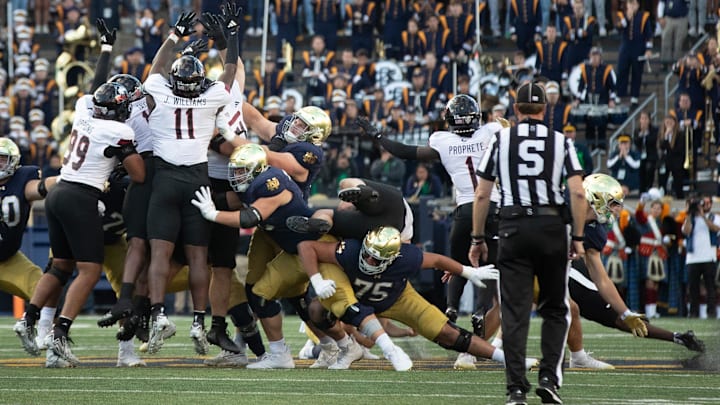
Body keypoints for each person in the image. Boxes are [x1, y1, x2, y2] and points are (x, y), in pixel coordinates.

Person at [469, 82, 587, 405]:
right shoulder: (561, 142)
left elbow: (482, 194)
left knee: (514, 312)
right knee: (555, 308)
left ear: (516, 109)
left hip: (513, 228)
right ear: (545, 110)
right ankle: (549, 377)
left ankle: (516, 390)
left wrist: (478, 238)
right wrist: (577, 236)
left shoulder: (501, 138)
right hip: (551, 227)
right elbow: (577, 192)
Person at [17, 82, 145, 367]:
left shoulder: (84, 114)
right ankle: (59, 334)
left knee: (60, 265)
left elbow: (92, 90)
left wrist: (105, 49)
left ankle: (29, 318)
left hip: (59, 192)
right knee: (89, 271)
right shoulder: (120, 132)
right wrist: (126, 160)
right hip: (81, 198)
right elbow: (139, 174)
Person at [299, 226, 545, 371]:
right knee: (316, 310)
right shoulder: (351, 251)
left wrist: (468, 271)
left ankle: (508, 359)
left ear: (391, 258)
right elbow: (307, 246)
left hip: (398, 299)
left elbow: (437, 260)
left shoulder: (406, 258)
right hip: (358, 301)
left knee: (449, 334)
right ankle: (347, 347)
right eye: (368, 254)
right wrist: (316, 280)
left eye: (376, 259)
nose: (368, 261)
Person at [142, 7, 243, 355]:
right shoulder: (213, 94)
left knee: (161, 252)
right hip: (199, 180)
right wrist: (231, 34)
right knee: (200, 257)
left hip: (166, 179)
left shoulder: (159, 88)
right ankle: (199, 321)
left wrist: (175, 36)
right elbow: (230, 71)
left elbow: (155, 69)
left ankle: (157, 315)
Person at [3, 138, 58, 355]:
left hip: (8, 259)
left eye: (2, 160)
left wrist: (71, 180)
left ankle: (47, 341)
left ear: (13, 162)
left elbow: (43, 187)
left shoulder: (22, 180)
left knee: (49, 288)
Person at [682, 196, 720, 319]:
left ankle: (711, 312)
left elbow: (715, 228)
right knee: (693, 287)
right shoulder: (689, 219)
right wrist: (689, 214)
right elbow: (686, 231)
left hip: (709, 256)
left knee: (710, 286)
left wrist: (702, 215)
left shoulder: (714, 217)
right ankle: (693, 312)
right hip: (693, 258)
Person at [633, 111, 659, 193]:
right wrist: (641, 134)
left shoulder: (654, 130)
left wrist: (646, 134)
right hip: (641, 155)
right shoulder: (637, 131)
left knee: (649, 169)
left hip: (651, 155)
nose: (644, 121)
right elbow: (636, 143)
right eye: (642, 119)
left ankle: (649, 188)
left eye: (645, 119)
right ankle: (641, 190)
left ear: (649, 120)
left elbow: (653, 141)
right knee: (641, 172)